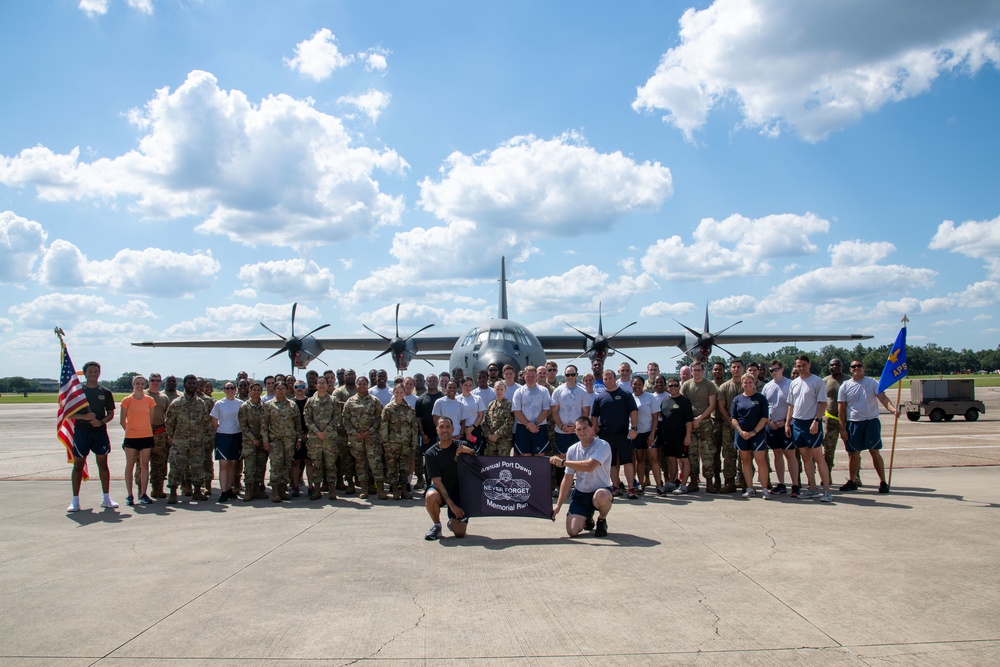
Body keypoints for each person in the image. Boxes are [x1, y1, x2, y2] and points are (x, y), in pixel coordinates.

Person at [837, 360, 899, 494]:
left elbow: (883, 398)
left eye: (859, 366)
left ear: (864, 368)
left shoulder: (872, 383)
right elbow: (841, 409)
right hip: (854, 423)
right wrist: (842, 428)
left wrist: (893, 410)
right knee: (854, 454)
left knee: (874, 452)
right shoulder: (845, 386)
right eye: (853, 366)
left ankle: (883, 482)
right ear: (850, 369)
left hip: (871, 422)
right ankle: (852, 481)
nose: (856, 368)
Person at [67, 361, 119, 511]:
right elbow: (69, 414)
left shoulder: (105, 392)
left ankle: (106, 498)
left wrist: (101, 421)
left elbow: (110, 414)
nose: (93, 374)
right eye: (90, 371)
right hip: (82, 432)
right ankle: (75, 500)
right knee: (78, 464)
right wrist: (84, 417)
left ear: (99, 373)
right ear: (85, 373)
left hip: (100, 433)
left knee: (103, 464)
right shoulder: (78, 392)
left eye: (96, 371)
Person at [551, 416, 613, 537]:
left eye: (585, 428)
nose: (582, 432)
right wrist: (558, 505)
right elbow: (568, 478)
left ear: (592, 429)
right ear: (575, 431)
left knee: (601, 496)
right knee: (572, 531)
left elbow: (590, 466)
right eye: (579, 429)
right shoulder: (572, 450)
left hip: (600, 491)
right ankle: (587, 517)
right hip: (581, 493)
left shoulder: (603, 445)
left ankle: (602, 519)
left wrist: (563, 462)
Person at [785, 355, 833, 502]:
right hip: (797, 423)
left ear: (809, 365)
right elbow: (791, 405)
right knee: (805, 457)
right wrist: (788, 423)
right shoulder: (794, 383)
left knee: (818, 457)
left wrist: (816, 421)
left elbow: (822, 403)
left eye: (803, 365)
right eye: (798, 366)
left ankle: (826, 490)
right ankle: (811, 488)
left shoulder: (817, 381)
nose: (801, 368)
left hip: (812, 423)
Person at [423, 417, 476, 540]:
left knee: (460, 533)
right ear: (437, 430)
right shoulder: (431, 453)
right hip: (442, 490)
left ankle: (452, 523)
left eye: (447, 427)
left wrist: (471, 452)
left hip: (460, 492)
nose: (445, 430)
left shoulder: (462, 446)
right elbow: (437, 482)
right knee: (431, 496)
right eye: (441, 427)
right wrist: (452, 506)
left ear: (453, 429)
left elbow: (479, 466)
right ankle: (436, 526)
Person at [591, 369, 638, 498]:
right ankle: (616, 486)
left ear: (615, 378)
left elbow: (633, 411)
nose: (607, 381)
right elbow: (594, 415)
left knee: (628, 461)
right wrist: (594, 430)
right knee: (611, 463)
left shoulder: (625, 394)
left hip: (623, 434)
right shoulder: (600, 397)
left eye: (610, 378)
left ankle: (631, 488)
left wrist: (634, 428)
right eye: (605, 379)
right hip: (606, 435)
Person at [165, 374, 211, 503]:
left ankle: (197, 492)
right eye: (189, 383)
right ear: (185, 385)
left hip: (197, 441)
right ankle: (173, 493)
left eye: (194, 383)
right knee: (176, 467)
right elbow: (169, 422)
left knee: (197, 466)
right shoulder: (177, 403)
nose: (192, 385)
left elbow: (206, 422)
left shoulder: (201, 403)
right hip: (180, 441)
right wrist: (174, 436)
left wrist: (205, 437)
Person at [343, 377, 386, 500]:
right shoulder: (350, 402)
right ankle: (364, 490)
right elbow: (345, 419)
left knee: (376, 464)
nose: (362, 386)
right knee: (360, 465)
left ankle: (381, 490)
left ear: (368, 385)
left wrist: (370, 431)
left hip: (371, 439)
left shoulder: (374, 401)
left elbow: (379, 418)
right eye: (360, 384)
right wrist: (353, 432)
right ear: (356, 385)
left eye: (364, 384)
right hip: (356, 440)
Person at [731, 374, 772, 499]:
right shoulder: (737, 399)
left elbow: (764, 417)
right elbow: (733, 418)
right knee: (745, 461)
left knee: (761, 461)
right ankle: (750, 488)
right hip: (742, 434)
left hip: (757, 434)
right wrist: (740, 431)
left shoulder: (760, 398)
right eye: (745, 383)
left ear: (754, 383)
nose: (748, 385)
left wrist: (754, 432)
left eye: (750, 382)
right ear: (742, 384)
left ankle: (765, 489)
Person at [680, 361, 718, 493]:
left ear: (703, 370)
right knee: (692, 454)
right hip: (690, 424)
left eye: (698, 370)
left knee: (707, 453)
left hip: (705, 423)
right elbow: (683, 404)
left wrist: (700, 418)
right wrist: (691, 420)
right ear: (691, 371)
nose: (696, 372)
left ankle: (709, 482)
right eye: (694, 370)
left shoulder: (709, 385)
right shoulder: (686, 385)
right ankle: (693, 480)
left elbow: (712, 405)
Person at [762, 360, 797, 496]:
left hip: (786, 425)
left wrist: (786, 422)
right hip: (771, 425)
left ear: (782, 369)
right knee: (777, 454)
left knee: (790, 454)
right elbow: (765, 406)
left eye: (776, 369)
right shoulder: (767, 386)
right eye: (771, 370)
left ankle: (795, 484)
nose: (774, 372)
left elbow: (793, 406)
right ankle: (781, 483)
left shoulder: (790, 384)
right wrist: (768, 421)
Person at [119, 375, 156, 506]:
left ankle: (143, 494)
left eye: (142, 383)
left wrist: (144, 429)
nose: (139, 386)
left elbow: (150, 419)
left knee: (144, 464)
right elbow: (122, 420)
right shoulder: (127, 400)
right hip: (131, 437)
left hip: (146, 435)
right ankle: (129, 495)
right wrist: (130, 430)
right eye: (137, 383)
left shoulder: (150, 400)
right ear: (133, 384)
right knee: (130, 465)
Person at [304, 375, 342, 501]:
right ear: (316, 385)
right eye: (319, 383)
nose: (321, 385)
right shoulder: (310, 401)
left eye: (323, 383)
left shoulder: (333, 400)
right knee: (317, 465)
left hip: (329, 438)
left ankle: (332, 490)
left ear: (327, 385)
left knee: (331, 465)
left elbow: (337, 417)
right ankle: (317, 490)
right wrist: (317, 431)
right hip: (315, 439)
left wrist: (326, 430)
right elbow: (307, 419)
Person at [263, 382, 301, 502]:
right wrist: (265, 441)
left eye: (283, 388)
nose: (280, 391)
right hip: (275, 440)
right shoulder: (269, 405)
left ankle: (283, 490)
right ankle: (275, 491)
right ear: (274, 390)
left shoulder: (292, 405)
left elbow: (297, 424)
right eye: (278, 389)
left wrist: (299, 438)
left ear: (286, 390)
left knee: (286, 465)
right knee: (276, 464)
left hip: (289, 439)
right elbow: (264, 425)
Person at [380, 384, 419, 499]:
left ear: (404, 393)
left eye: (401, 392)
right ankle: (395, 490)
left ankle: (404, 490)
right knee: (392, 468)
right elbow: (384, 427)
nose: (399, 395)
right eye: (396, 392)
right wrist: (385, 443)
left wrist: (413, 443)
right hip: (392, 444)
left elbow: (414, 428)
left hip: (406, 445)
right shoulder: (388, 409)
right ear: (393, 393)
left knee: (404, 468)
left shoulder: (409, 409)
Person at [657, 377, 693, 494]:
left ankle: (683, 485)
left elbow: (689, 421)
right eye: (671, 386)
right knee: (671, 460)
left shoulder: (684, 401)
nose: (673, 388)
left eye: (676, 385)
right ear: (667, 387)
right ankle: (672, 483)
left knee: (684, 460)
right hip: (668, 437)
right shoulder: (665, 400)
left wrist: (687, 436)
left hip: (681, 436)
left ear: (679, 387)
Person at [715, 358, 745, 493]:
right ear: (730, 369)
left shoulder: (748, 384)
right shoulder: (725, 387)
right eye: (733, 367)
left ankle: (745, 481)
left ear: (743, 369)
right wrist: (731, 421)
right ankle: (730, 481)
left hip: (746, 425)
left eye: (738, 367)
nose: (736, 369)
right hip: (729, 425)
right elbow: (721, 407)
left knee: (745, 455)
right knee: (728, 455)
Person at [210, 382, 244, 502]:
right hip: (223, 435)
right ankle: (223, 491)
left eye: (232, 388)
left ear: (235, 390)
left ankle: (229, 489)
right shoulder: (219, 404)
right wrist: (219, 430)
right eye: (227, 388)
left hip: (237, 435)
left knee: (233, 464)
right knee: (223, 464)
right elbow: (214, 421)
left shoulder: (240, 403)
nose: (230, 390)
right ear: (224, 390)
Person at [511, 366, 552, 457]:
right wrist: (528, 425)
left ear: (536, 376)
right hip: (523, 427)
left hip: (540, 427)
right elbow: (516, 411)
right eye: (528, 376)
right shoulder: (518, 392)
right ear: (524, 376)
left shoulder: (544, 391)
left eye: (533, 376)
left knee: (540, 456)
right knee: (525, 457)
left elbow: (546, 410)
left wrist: (535, 424)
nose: (531, 378)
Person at [238, 382, 269, 501]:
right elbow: (243, 426)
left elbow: (266, 424)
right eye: (254, 390)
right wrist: (253, 439)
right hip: (249, 442)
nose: (256, 392)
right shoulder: (244, 406)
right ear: (250, 391)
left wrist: (262, 439)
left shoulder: (265, 406)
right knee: (249, 467)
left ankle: (257, 489)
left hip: (262, 441)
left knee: (260, 467)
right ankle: (248, 490)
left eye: (258, 390)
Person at [630, 376, 661, 493]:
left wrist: (652, 434)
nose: (636, 386)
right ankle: (641, 484)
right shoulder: (630, 398)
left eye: (639, 384)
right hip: (637, 434)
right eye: (634, 384)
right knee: (640, 459)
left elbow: (655, 418)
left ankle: (658, 485)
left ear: (643, 385)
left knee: (654, 459)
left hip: (649, 432)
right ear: (631, 385)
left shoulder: (650, 397)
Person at [145, 373, 171, 499]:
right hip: (143, 433)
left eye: (158, 380)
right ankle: (142, 490)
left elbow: (167, 417)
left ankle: (157, 489)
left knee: (159, 463)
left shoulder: (163, 397)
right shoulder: (142, 395)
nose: (155, 382)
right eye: (153, 380)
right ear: (148, 381)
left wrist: (168, 434)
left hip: (159, 433)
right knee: (142, 464)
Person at [821, 358, 847, 484]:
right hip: (831, 419)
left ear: (842, 366)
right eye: (832, 365)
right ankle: (827, 475)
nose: (834, 367)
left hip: (848, 420)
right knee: (828, 450)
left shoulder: (848, 380)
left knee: (853, 449)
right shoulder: (825, 381)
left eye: (837, 364)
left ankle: (855, 476)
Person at [483, 381, 515, 456]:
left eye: (501, 389)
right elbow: (485, 422)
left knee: (503, 465)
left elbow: (509, 423)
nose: (499, 391)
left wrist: (496, 436)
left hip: (504, 442)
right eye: (497, 389)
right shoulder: (491, 405)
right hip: (491, 443)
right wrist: (488, 435)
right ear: (494, 390)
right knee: (491, 465)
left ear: (505, 391)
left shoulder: (509, 404)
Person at [457, 377, 486, 451]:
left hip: (475, 430)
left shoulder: (477, 398)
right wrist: (465, 432)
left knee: (476, 451)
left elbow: (480, 416)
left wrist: (471, 428)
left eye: (470, 385)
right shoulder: (456, 399)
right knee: (463, 453)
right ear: (461, 385)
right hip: (461, 431)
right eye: (466, 385)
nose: (468, 387)